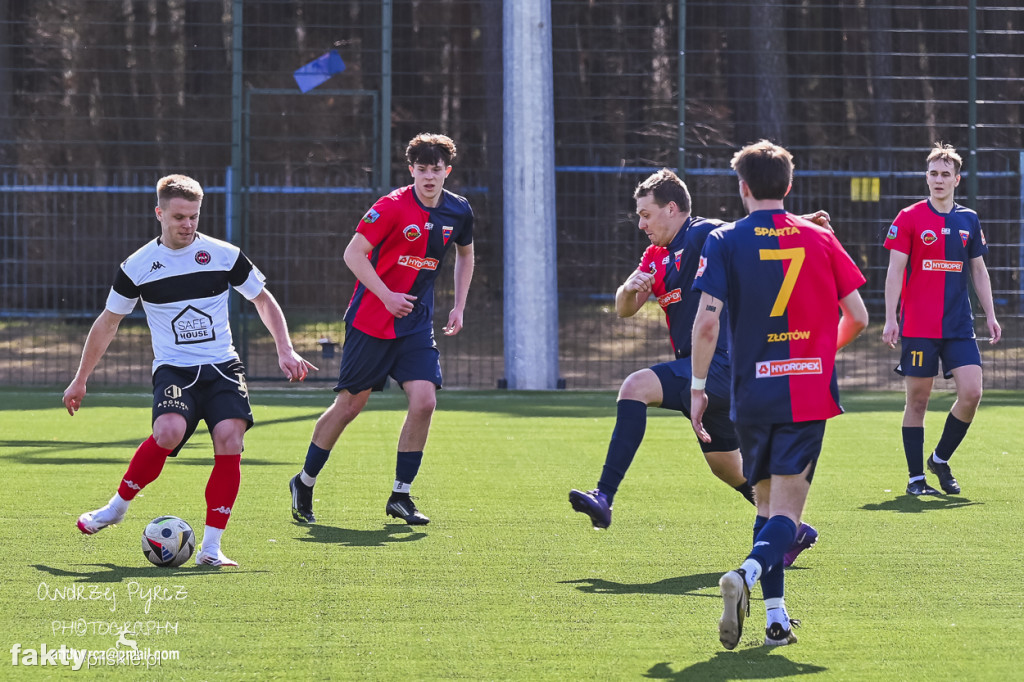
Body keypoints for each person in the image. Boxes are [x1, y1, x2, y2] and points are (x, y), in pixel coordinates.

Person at [568, 169, 821, 568]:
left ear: (672, 209)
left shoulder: (704, 234)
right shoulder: (656, 255)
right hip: (698, 370)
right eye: (638, 215)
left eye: (646, 214)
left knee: (634, 387)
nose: (641, 224)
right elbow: (624, 309)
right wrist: (629, 288)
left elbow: (751, 230)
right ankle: (792, 528)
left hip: (722, 365)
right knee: (726, 467)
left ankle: (604, 496)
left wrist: (802, 223)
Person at [65, 174, 315, 567]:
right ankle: (116, 508)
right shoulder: (137, 266)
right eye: (179, 216)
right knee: (167, 432)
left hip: (222, 367)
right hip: (175, 370)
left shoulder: (223, 254)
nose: (188, 224)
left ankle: (211, 548)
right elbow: (108, 322)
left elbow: (263, 301)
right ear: (159, 213)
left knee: (230, 441)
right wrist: (81, 378)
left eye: (194, 216)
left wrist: (285, 350)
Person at [691, 140, 868, 649]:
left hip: (753, 392)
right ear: (788, 186)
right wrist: (816, 357)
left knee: (766, 506)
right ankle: (745, 575)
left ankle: (775, 618)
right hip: (805, 392)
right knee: (787, 515)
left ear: (743, 187)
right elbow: (857, 316)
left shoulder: (724, 239)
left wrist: (700, 389)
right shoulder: (820, 237)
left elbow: (706, 323)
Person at [289, 133, 474, 526]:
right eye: (421, 169)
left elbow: (465, 253)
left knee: (424, 400)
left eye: (436, 170)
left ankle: (401, 496)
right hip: (372, 319)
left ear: (447, 172)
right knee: (351, 406)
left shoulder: (458, 211)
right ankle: (304, 481)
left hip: (415, 322)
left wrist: (459, 304)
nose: (428, 177)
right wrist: (388, 295)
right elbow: (353, 254)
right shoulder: (390, 206)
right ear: (411, 170)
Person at [882, 143, 1001, 496]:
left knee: (972, 393)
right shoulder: (909, 217)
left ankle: (940, 458)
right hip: (918, 325)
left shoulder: (969, 219)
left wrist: (990, 315)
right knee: (917, 401)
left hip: (959, 326)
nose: (938, 179)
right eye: (933, 173)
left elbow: (979, 271)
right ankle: (916, 479)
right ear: (927, 177)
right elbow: (893, 272)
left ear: (957, 179)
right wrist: (890, 318)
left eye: (945, 174)